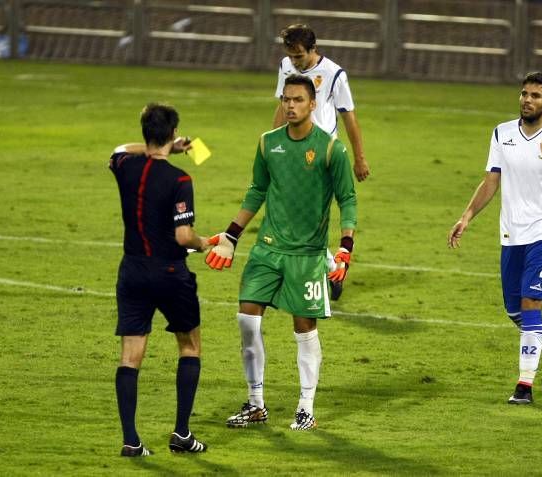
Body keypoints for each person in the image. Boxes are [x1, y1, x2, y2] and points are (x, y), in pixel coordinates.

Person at [205, 74, 357, 430]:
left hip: (307, 255)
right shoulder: (267, 143)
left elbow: (347, 199)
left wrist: (345, 248)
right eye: (286, 99)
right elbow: (257, 190)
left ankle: (306, 407)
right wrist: (231, 235)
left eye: (298, 100)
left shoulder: (331, 149)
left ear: (312, 104)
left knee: (304, 328)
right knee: (247, 320)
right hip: (267, 250)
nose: (290, 105)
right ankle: (256, 404)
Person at [447, 72, 542, 405]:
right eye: (524, 93)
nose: (527, 99)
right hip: (511, 235)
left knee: (531, 306)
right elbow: (491, 181)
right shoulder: (502, 133)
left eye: (536, 96)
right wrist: (466, 216)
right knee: (516, 312)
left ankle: (524, 386)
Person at [109, 103, 210, 456]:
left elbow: (119, 150)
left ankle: (131, 441)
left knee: (130, 355)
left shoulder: (125, 166)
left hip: (132, 271)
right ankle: (182, 434)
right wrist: (205, 243)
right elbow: (184, 236)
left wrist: (156, 145)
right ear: (173, 134)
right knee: (189, 345)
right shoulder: (180, 179)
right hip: (169, 273)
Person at [272, 24, 368, 301]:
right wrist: (270, 144)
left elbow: (349, 117)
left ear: (313, 49)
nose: (294, 62)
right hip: (292, 151)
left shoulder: (334, 74)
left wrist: (359, 158)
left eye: (299, 56)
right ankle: (332, 268)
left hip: (323, 153)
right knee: (298, 215)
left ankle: (329, 267)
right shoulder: (285, 66)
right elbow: (282, 106)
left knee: (307, 215)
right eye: (290, 56)